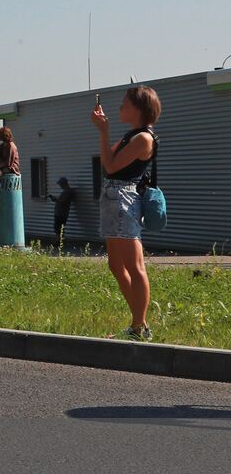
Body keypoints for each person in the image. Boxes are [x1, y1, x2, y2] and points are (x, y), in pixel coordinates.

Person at [92, 86, 160, 341]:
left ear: (139, 109)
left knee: (134, 265)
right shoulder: (132, 135)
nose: (120, 108)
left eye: (125, 104)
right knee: (116, 264)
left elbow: (110, 166)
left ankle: (139, 326)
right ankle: (138, 324)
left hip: (124, 198)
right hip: (113, 198)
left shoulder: (143, 138)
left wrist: (104, 130)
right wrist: (104, 131)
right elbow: (108, 161)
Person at [48, 176, 76, 242]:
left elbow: (64, 201)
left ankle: (59, 241)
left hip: (62, 213)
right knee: (57, 227)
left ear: (63, 183)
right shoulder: (65, 192)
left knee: (59, 228)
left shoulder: (67, 192)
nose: (60, 185)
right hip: (59, 212)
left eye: (60, 184)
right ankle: (59, 240)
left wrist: (56, 199)